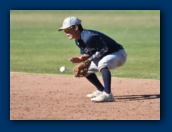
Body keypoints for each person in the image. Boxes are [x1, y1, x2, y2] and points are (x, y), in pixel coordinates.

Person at [58, 16, 127, 102]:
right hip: (105, 56)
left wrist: (89, 60)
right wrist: (81, 59)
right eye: (64, 30)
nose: (66, 33)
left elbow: (104, 49)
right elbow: (89, 53)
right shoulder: (78, 40)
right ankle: (101, 90)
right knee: (85, 69)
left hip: (118, 54)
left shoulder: (88, 37)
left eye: (67, 30)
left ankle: (108, 94)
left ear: (76, 27)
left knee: (102, 63)